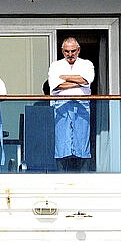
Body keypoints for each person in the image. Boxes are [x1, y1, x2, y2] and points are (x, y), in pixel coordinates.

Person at [48, 37, 95, 172]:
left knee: (82, 140)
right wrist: (78, 81)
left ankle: (83, 176)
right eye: (67, 51)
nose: (70, 54)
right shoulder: (55, 65)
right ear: (62, 51)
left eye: (73, 51)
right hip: (62, 105)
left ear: (78, 50)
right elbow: (54, 86)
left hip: (82, 105)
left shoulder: (87, 64)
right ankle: (62, 176)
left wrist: (64, 77)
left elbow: (86, 80)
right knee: (62, 141)